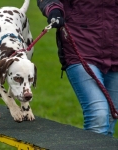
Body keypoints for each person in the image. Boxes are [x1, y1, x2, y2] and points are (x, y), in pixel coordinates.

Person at [37, 0, 118, 136]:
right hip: (81, 46)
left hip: (115, 52)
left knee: (110, 119)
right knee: (98, 115)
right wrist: (53, 9)